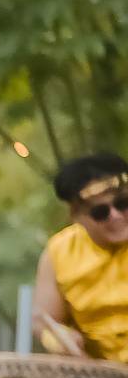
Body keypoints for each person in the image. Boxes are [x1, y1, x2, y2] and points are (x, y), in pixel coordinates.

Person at [32, 153, 128, 365]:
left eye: (123, 204)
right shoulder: (59, 252)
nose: (116, 215)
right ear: (76, 216)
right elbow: (44, 322)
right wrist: (56, 340)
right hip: (99, 374)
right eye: (101, 212)